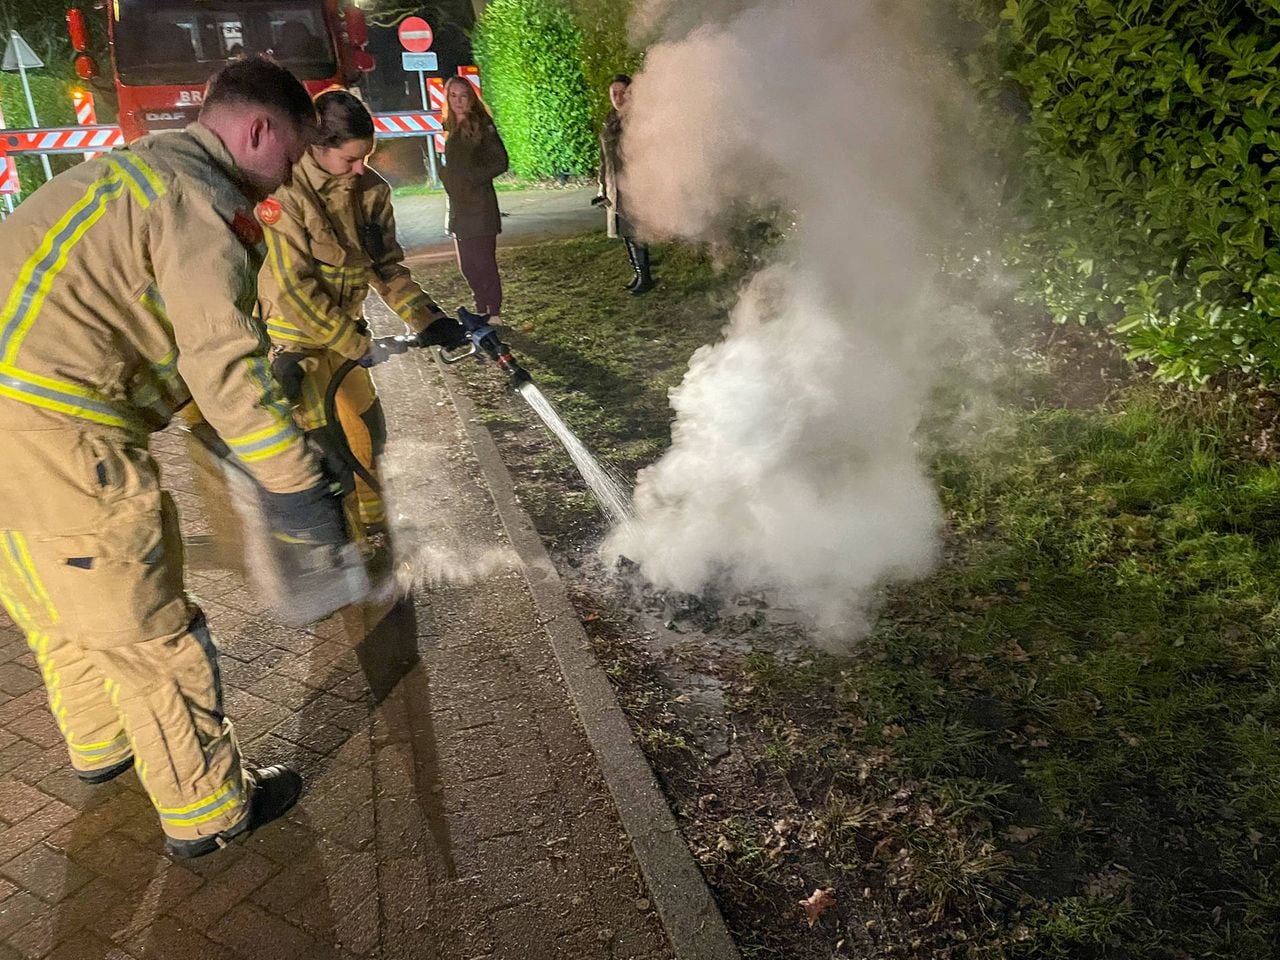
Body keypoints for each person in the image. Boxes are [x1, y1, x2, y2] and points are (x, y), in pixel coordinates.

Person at [0, 57, 342, 859]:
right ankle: (208, 811)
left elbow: (142, 329)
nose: (287, 181)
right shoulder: (202, 204)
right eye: (289, 158)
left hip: (15, 430)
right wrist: (295, 482)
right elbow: (222, 368)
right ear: (258, 129)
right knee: (151, 633)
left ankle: (101, 744)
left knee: (58, 604)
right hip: (60, 437)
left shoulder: (131, 175)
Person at [258, 89, 465, 544]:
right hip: (300, 346)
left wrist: (428, 320)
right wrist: (358, 347)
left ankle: (378, 529)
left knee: (369, 433)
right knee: (327, 453)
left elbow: (385, 268)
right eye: (350, 160)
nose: (360, 170)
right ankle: (344, 550)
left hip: (347, 335)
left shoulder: (371, 192)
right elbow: (295, 289)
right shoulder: (285, 195)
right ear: (317, 145)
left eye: (366, 157)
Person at [440, 76, 510, 324]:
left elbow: (500, 161)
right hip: (459, 207)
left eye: (463, 95)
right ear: (447, 99)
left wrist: (470, 178)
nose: (459, 101)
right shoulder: (449, 126)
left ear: (471, 97)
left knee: (483, 263)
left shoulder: (482, 125)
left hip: (479, 206)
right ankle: (481, 308)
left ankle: (493, 312)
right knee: (467, 266)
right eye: (453, 96)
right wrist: (446, 175)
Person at [595, 74, 654, 295]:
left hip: (634, 185)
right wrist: (602, 186)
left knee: (636, 231)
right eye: (614, 94)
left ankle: (645, 276)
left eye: (622, 93)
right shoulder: (609, 120)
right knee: (625, 233)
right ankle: (638, 273)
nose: (618, 98)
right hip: (614, 185)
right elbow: (604, 160)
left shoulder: (638, 120)